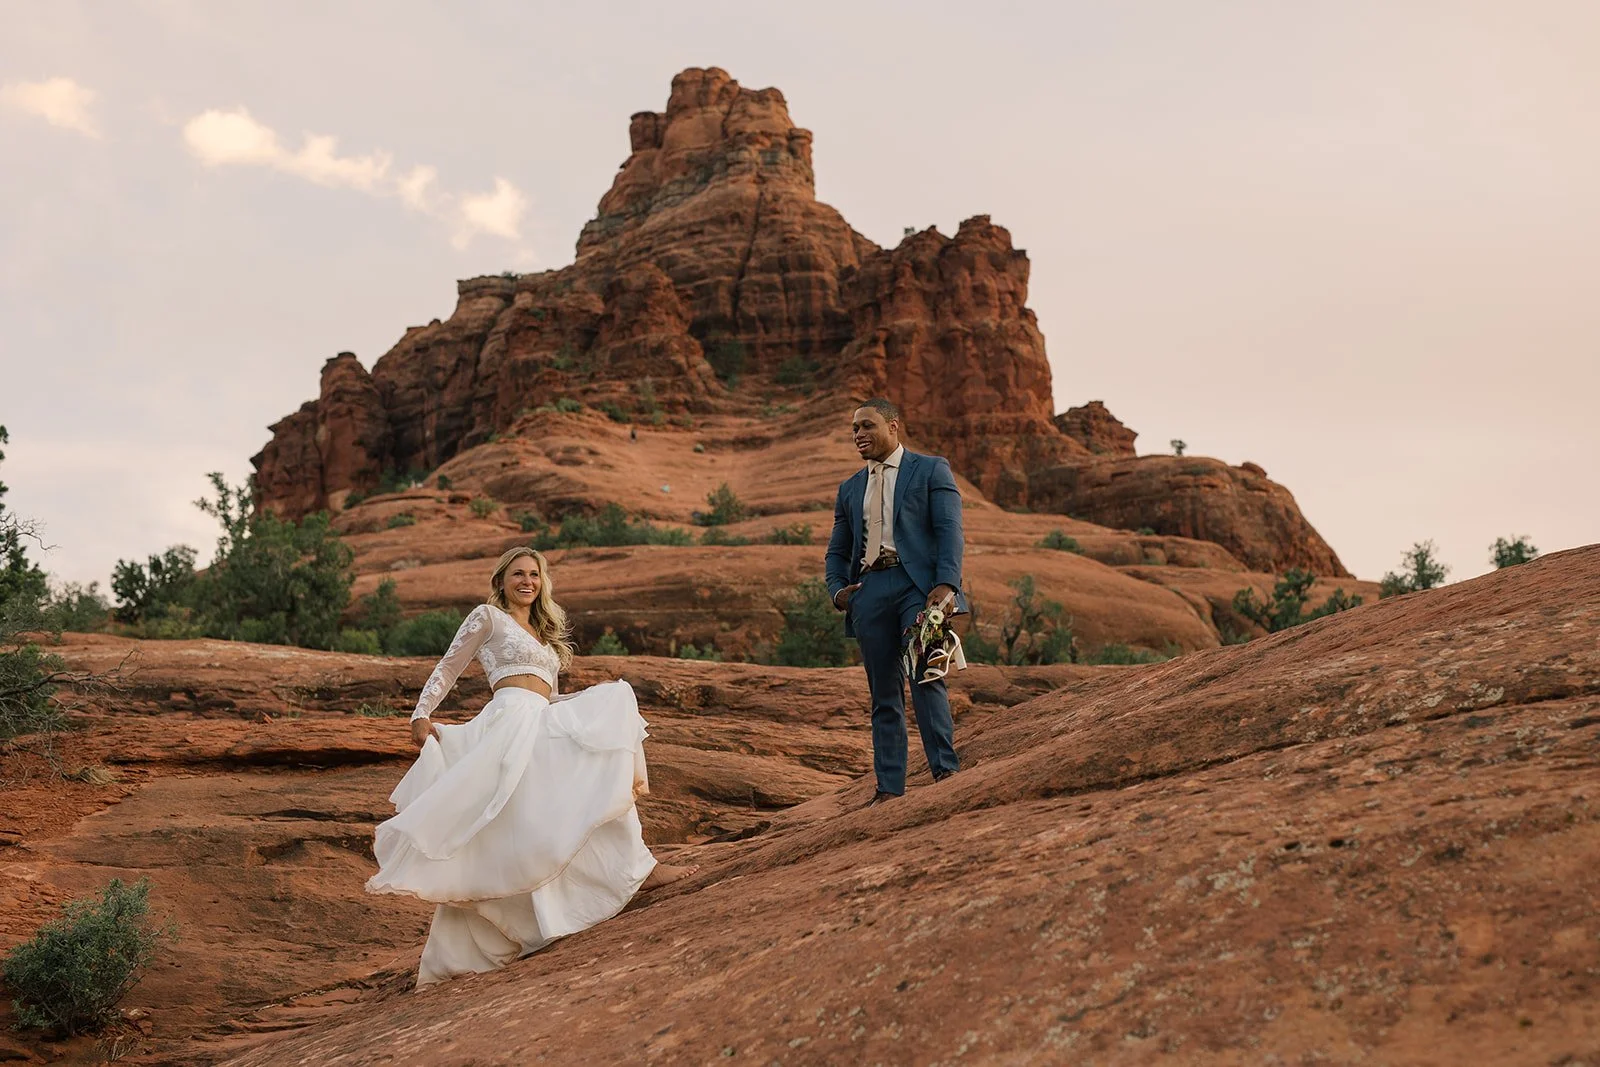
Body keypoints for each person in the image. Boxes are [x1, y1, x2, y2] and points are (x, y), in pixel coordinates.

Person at [365, 546, 696, 987]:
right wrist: (420, 715)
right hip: (508, 722)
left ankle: (637, 871)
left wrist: (588, 702)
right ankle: (522, 925)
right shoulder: (488, 617)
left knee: (584, 789)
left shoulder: (545, 637)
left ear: (543, 583)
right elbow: (449, 665)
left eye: (535, 575)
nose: (527, 581)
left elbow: (551, 695)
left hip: (541, 718)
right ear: (502, 580)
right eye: (518, 574)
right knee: (510, 827)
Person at [825, 398, 965, 807]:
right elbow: (837, 550)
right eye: (854, 429)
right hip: (869, 591)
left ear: (893, 426)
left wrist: (946, 584)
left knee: (925, 673)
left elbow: (949, 529)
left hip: (916, 586)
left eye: (867, 426)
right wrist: (838, 591)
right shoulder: (850, 487)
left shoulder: (931, 468)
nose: (859, 435)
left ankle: (945, 771)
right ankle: (889, 789)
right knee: (882, 693)